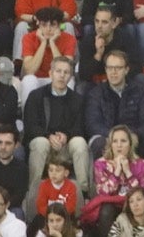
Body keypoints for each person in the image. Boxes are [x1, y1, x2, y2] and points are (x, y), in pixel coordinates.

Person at [24, 54, 91, 189]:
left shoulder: (77, 99)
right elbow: (30, 125)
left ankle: (83, 192)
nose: (62, 75)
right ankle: (34, 191)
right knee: (40, 143)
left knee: (80, 143)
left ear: (71, 76)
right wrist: (48, 136)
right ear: (50, 73)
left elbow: (81, 127)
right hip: (44, 143)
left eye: (66, 72)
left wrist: (66, 136)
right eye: (58, 71)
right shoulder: (36, 96)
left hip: (66, 145)